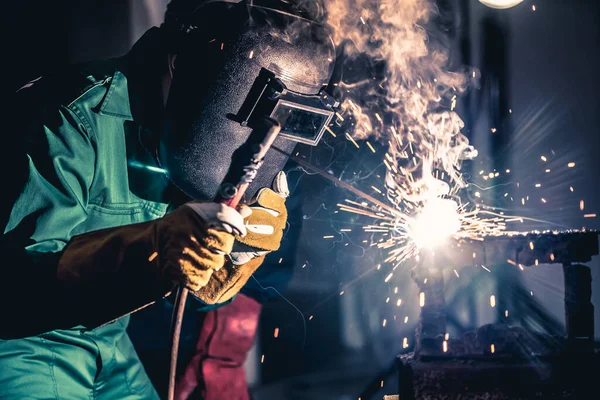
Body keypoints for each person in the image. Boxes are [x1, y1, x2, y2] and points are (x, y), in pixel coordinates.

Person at [0, 0, 337, 398]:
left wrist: (235, 254)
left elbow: (197, 295)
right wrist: (154, 247)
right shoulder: (66, 118)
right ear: (183, 65)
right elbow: (16, 286)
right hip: (22, 342)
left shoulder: (194, 136)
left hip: (109, 338)